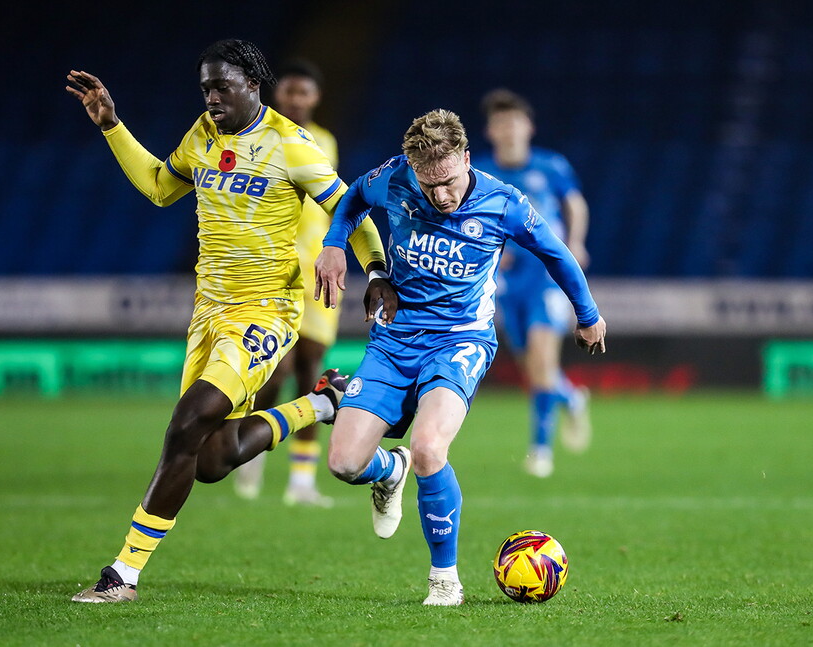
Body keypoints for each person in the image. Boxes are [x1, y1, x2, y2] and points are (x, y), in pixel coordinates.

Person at [64, 39, 387, 603]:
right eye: (206, 88)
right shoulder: (203, 135)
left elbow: (348, 208)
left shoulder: (292, 144)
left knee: (185, 424)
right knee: (211, 459)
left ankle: (123, 574)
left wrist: (377, 270)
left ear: (253, 86)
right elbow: (163, 187)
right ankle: (324, 404)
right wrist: (113, 126)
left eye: (222, 87)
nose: (212, 98)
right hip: (208, 312)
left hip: (266, 310)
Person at [314, 109, 606, 606]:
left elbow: (556, 252)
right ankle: (389, 471)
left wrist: (588, 314)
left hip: (460, 340)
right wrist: (336, 245)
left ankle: (444, 578)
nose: (441, 196)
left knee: (430, 448)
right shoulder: (395, 177)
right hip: (393, 339)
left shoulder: (504, 201)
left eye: (448, 182)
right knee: (343, 463)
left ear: (466, 159)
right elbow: (351, 201)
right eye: (429, 187)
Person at [234, 59, 343, 507]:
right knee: (272, 369)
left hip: (317, 266)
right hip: (276, 265)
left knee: (311, 370)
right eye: (290, 92)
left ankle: (301, 481)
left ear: (315, 98)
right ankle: (248, 454)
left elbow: (331, 199)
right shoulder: (261, 136)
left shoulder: (326, 141)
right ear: (278, 95)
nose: (296, 99)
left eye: (304, 93)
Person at [471, 88, 594, 478]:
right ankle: (571, 397)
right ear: (490, 131)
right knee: (532, 369)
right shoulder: (482, 173)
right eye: (500, 122)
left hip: (545, 275)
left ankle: (540, 450)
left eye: (514, 121)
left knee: (542, 361)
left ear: (529, 127)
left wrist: (574, 244)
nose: (507, 129)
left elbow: (575, 204)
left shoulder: (550, 165)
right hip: (507, 282)